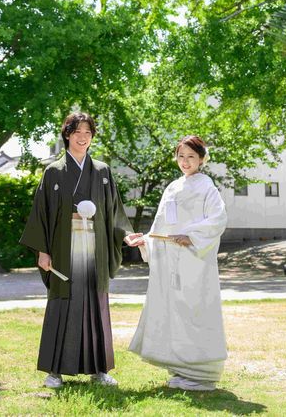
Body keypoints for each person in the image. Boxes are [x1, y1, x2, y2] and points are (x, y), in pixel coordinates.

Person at [20, 112, 142, 389]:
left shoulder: (102, 171)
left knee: (95, 304)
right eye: (77, 132)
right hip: (64, 246)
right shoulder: (53, 171)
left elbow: (113, 210)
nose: (83, 137)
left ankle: (99, 370)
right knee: (62, 302)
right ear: (67, 135)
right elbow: (41, 212)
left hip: (95, 247)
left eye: (88, 132)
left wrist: (125, 235)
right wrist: (42, 251)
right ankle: (55, 372)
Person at [129, 135, 228, 392]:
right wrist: (146, 241)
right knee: (174, 312)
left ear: (202, 159)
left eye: (191, 157)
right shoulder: (172, 187)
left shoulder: (207, 187)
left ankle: (201, 372)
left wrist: (192, 236)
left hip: (194, 260)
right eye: (181, 156)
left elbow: (218, 219)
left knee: (194, 310)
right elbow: (161, 225)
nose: (185, 161)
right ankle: (181, 368)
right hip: (170, 260)